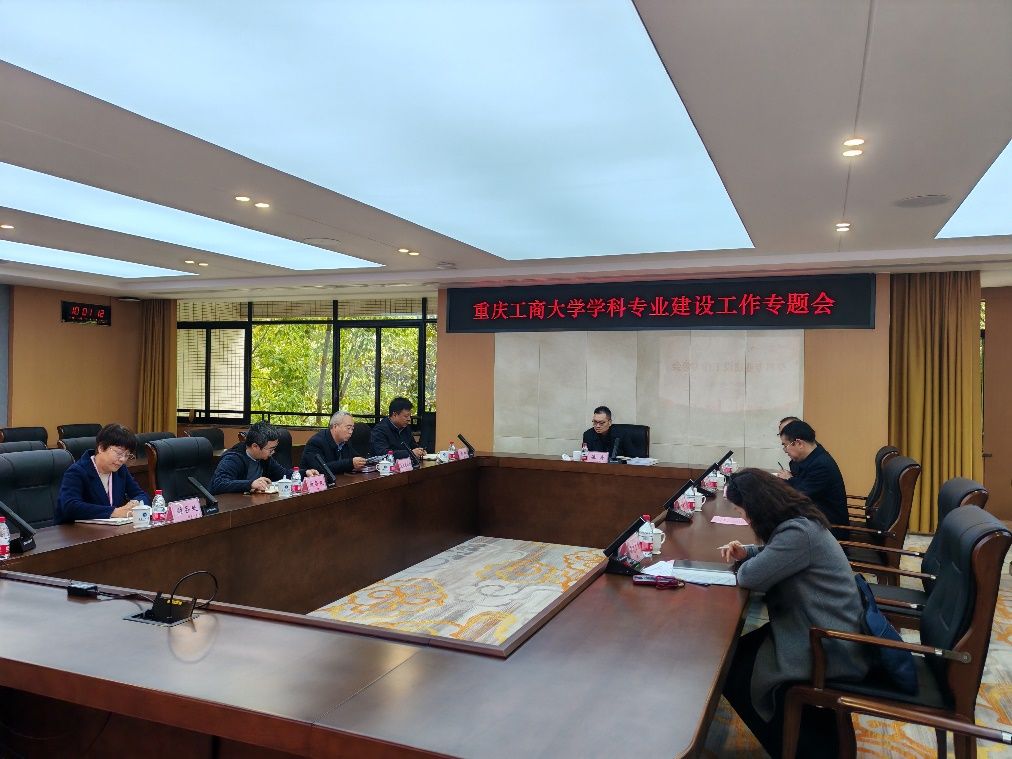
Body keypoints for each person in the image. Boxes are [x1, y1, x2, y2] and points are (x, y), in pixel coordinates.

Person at [718, 469, 869, 759]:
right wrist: (748, 553)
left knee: (733, 670)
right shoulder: (800, 522)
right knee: (736, 654)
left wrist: (748, 561)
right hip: (821, 625)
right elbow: (776, 553)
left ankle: (800, 749)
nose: (744, 519)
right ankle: (802, 737)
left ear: (756, 507)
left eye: (741, 511)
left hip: (829, 644)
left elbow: (750, 577)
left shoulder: (798, 534)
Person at [56, 423, 149, 523]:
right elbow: (70, 506)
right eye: (119, 453)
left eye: (127, 455)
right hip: (76, 530)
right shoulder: (77, 471)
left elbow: (142, 495)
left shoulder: (120, 470)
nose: (122, 459)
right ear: (101, 448)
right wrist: (114, 512)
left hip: (110, 528)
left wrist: (135, 503)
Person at [210, 421, 318, 494]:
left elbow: (283, 474)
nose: (273, 452)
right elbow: (218, 484)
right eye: (270, 449)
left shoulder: (265, 459)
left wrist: (305, 473)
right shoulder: (233, 459)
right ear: (255, 446)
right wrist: (250, 484)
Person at [775, 419, 848, 527]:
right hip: (814, 519)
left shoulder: (821, 465)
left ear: (799, 443)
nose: (785, 450)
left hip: (828, 527)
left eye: (785, 445)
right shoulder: (813, 457)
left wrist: (787, 481)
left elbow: (799, 496)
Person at [303, 410, 367, 476]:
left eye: (352, 429)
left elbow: (354, 457)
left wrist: (361, 462)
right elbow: (320, 469)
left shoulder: (345, 441)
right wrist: (350, 464)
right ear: (335, 426)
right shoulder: (316, 442)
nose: (351, 432)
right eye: (348, 428)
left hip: (340, 479)